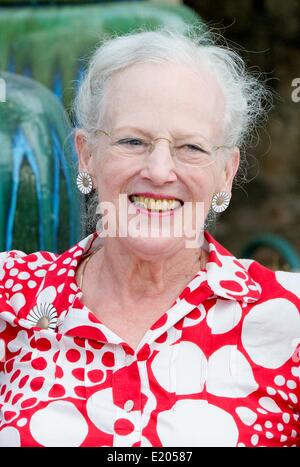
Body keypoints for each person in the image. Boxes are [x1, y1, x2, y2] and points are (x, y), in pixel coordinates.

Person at [0, 28, 299, 448]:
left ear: (225, 174)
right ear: (87, 154)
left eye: (191, 148)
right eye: (132, 141)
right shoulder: (9, 294)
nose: (159, 171)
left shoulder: (290, 318)